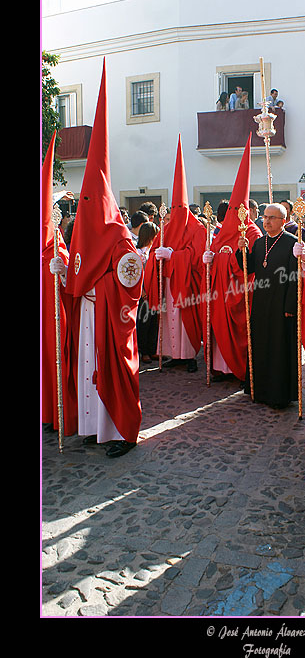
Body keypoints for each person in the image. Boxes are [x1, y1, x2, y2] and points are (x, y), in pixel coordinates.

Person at [63, 61, 143, 458]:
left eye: (93, 201)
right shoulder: (82, 235)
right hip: (89, 317)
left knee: (113, 370)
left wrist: (98, 287)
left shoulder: (120, 238)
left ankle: (120, 432)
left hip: (111, 317)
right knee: (86, 368)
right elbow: (76, 277)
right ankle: (92, 426)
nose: (87, 209)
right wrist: (65, 277)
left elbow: (131, 283)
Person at [202, 135, 262, 382]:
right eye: (231, 211)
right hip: (219, 294)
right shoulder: (222, 232)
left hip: (240, 294)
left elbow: (252, 267)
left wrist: (236, 255)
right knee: (218, 332)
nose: (234, 216)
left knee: (240, 331)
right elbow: (214, 255)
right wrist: (209, 258)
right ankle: (220, 368)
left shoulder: (253, 232)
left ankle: (239, 369)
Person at [143, 136, 207, 374]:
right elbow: (154, 253)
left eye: (181, 208)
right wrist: (157, 255)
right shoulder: (166, 228)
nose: (177, 213)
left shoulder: (197, 229)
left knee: (185, 319)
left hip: (187, 283)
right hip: (169, 282)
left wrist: (174, 255)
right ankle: (173, 354)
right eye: (174, 208)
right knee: (169, 319)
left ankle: (189, 355)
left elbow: (197, 256)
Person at [236, 203, 298, 408]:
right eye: (265, 217)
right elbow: (250, 267)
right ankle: (259, 389)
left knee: (279, 347)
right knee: (261, 344)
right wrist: (241, 251)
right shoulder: (260, 242)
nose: (267, 221)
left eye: (272, 217)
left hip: (281, 303)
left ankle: (278, 394)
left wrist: (291, 306)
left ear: (283, 221)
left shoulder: (291, 243)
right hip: (261, 302)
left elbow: (295, 278)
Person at [42, 132, 78, 437]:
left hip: (55, 320)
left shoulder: (58, 248)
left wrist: (62, 269)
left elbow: (71, 279)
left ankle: (59, 412)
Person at [136, 221, 160, 364]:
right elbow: (137, 275)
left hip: (155, 291)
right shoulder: (138, 252)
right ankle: (144, 351)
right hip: (144, 293)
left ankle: (152, 349)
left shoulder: (154, 251)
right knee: (144, 322)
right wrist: (142, 290)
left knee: (154, 322)